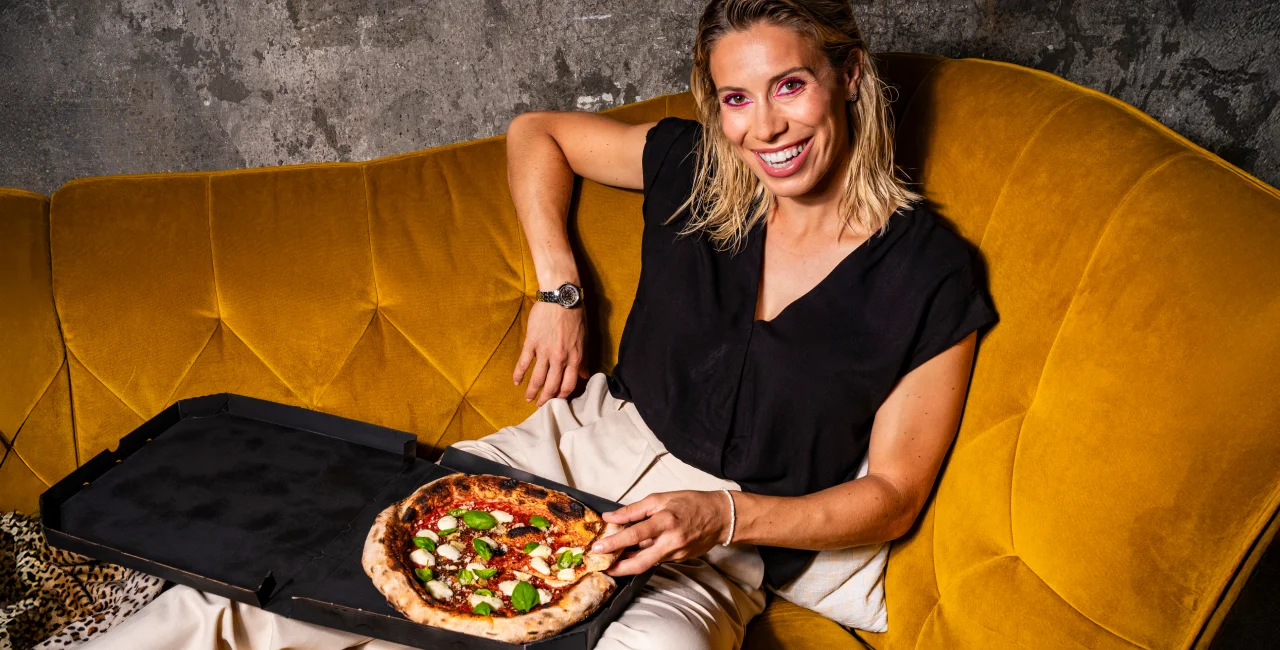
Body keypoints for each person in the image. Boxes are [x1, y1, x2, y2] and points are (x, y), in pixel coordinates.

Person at [80, 1, 995, 649]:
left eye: (789, 85)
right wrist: (560, 291)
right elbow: (537, 133)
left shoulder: (931, 274)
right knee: (269, 597)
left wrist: (721, 518)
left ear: (848, 76)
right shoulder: (691, 165)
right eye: (736, 98)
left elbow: (894, 494)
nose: (765, 128)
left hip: (716, 544)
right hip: (559, 462)